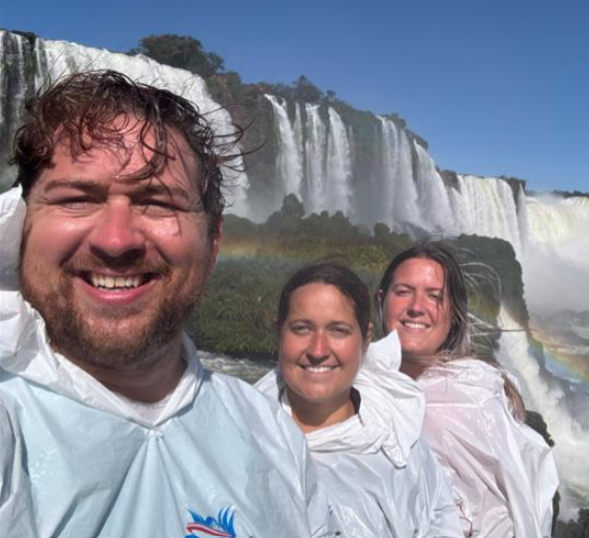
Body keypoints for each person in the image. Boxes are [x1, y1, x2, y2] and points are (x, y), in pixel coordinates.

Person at [0, 71, 334, 537]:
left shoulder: (272, 433)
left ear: (214, 241)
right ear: (17, 222)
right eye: (77, 199)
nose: (116, 240)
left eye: (158, 203)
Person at [255, 262, 463, 538]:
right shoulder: (239, 434)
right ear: (278, 333)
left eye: (338, 330)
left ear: (365, 340)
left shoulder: (400, 446)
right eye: (302, 329)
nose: (318, 350)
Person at [377, 241, 560, 538]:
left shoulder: (476, 400)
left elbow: (511, 515)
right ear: (382, 299)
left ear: (453, 314)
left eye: (434, 296)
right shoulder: (354, 386)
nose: (416, 307)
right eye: (403, 292)